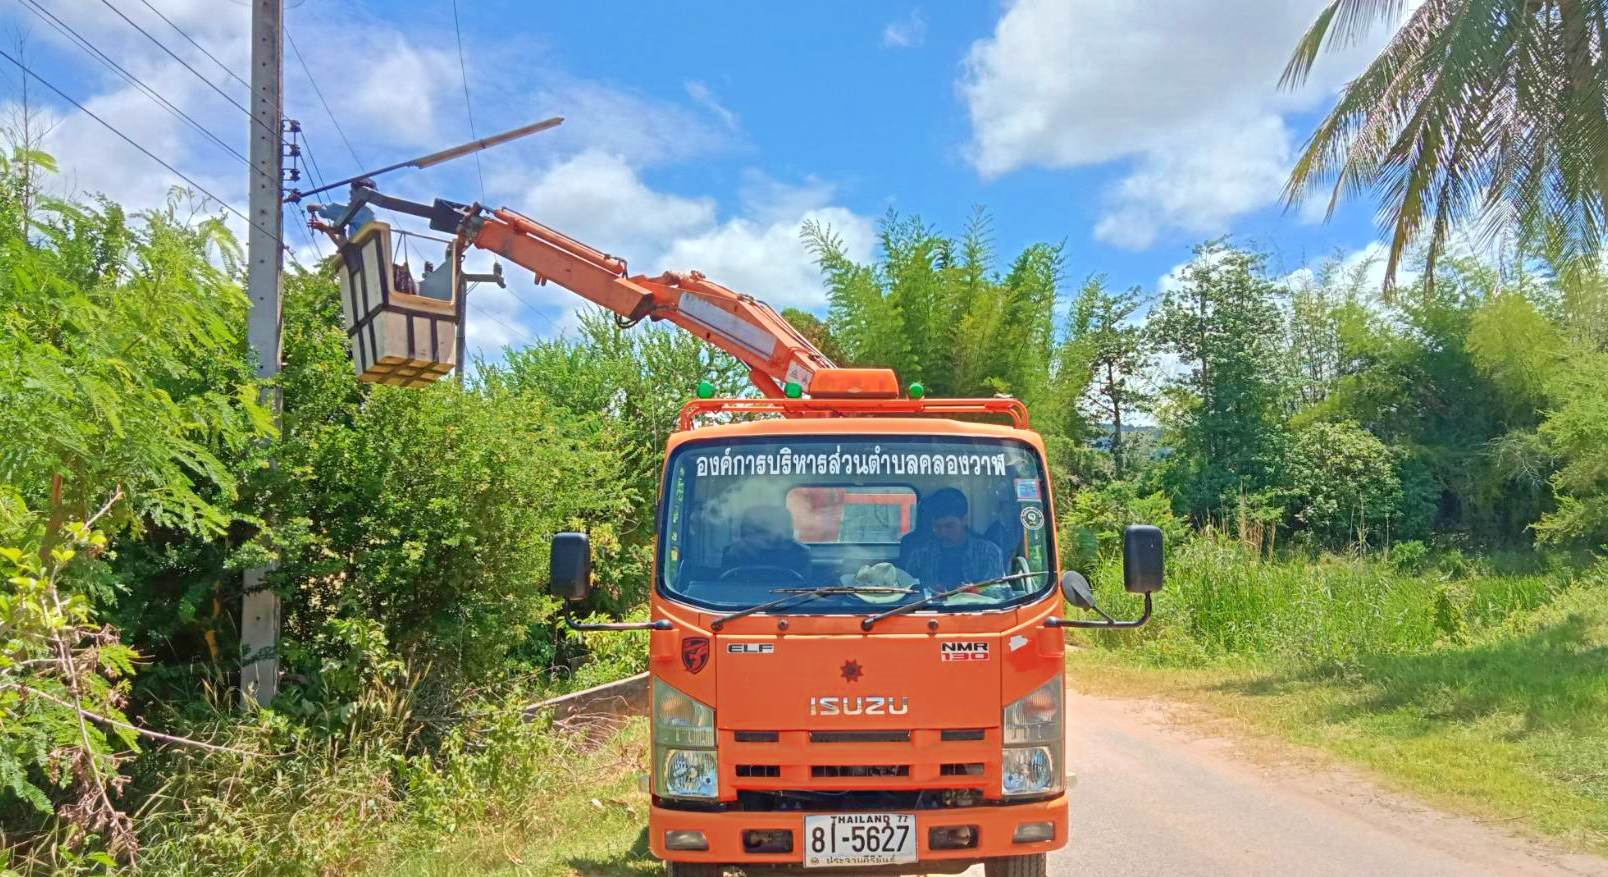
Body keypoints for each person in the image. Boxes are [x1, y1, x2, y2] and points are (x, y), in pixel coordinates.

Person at [903, 488, 1005, 589]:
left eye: (949, 526)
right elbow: (909, 589)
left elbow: (995, 591)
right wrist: (929, 589)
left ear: (964, 520)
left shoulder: (989, 552)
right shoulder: (919, 555)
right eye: (937, 527)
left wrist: (973, 590)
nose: (943, 533)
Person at [721, 505, 812, 580]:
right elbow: (725, 585)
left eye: (765, 530)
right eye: (757, 531)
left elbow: (802, 587)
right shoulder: (732, 551)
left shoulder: (799, 552)